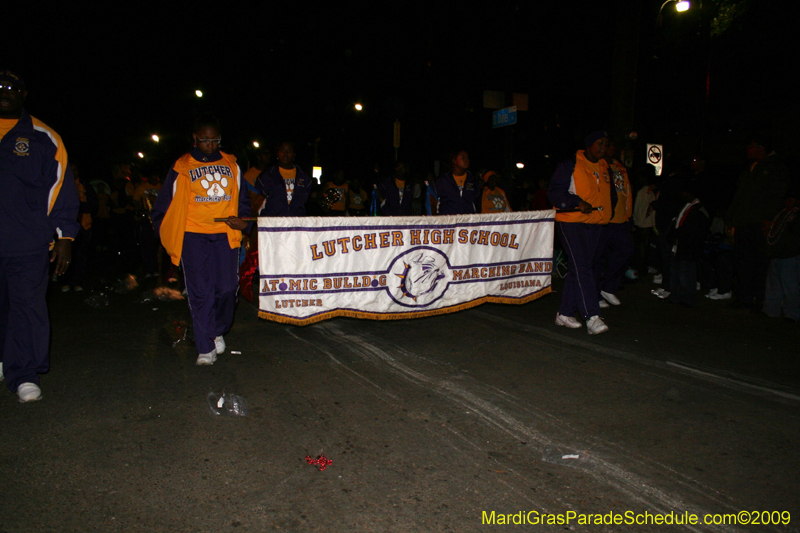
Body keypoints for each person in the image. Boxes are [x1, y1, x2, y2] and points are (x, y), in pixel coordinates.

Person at [0, 70, 79, 402]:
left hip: (27, 241)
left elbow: (62, 190)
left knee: (27, 307)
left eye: (11, 88)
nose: (5, 92)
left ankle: (24, 373)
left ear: (23, 94)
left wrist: (65, 236)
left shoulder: (44, 138)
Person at [151, 114, 250, 366]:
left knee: (227, 289)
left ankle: (216, 330)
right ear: (195, 139)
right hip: (193, 236)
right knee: (200, 292)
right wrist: (168, 234)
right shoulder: (182, 166)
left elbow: (243, 202)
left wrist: (244, 222)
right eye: (205, 140)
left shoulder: (232, 165)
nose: (210, 144)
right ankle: (205, 346)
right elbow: (163, 206)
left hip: (225, 235)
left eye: (215, 139)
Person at [547, 130, 613, 334]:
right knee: (583, 267)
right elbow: (554, 193)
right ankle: (591, 317)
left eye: (606, 144)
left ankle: (565, 313)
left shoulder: (605, 167)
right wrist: (577, 202)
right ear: (589, 144)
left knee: (581, 268)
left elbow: (610, 196)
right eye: (599, 143)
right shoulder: (570, 165)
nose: (603, 148)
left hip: (595, 224)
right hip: (572, 222)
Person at [725, 135, 790, 309]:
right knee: (743, 261)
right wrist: (731, 218)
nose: (748, 150)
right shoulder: (750, 169)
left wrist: (769, 218)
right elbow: (739, 196)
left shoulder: (775, 168)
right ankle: (745, 296)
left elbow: (778, 196)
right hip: (744, 222)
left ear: (761, 148)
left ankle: (760, 298)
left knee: (760, 263)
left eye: (751, 146)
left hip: (759, 223)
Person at [595, 140, 633, 307]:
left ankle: (608, 287)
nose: (610, 148)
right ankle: (595, 294)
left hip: (620, 220)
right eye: (607, 146)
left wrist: (628, 214)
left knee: (626, 250)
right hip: (604, 219)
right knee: (598, 258)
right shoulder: (598, 164)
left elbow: (627, 191)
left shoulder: (620, 166)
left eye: (612, 146)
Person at [255, 141, 314, 217]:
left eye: (289, 151)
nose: (285, 153)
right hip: (273, 223)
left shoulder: (304, 177)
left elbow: (305, 201)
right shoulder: (266, 175)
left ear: (294, 154)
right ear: (277, 153)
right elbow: (256, 202)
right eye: (282, 150)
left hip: (296, 222)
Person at [435, 149, 480, 215]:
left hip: (468, 222)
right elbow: (434, 203)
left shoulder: (473, 181)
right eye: (463, 157)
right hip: (448, 222)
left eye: (467, 158)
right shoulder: (443, 180)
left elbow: (477, 204)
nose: (466, 160)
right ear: (454, 160)